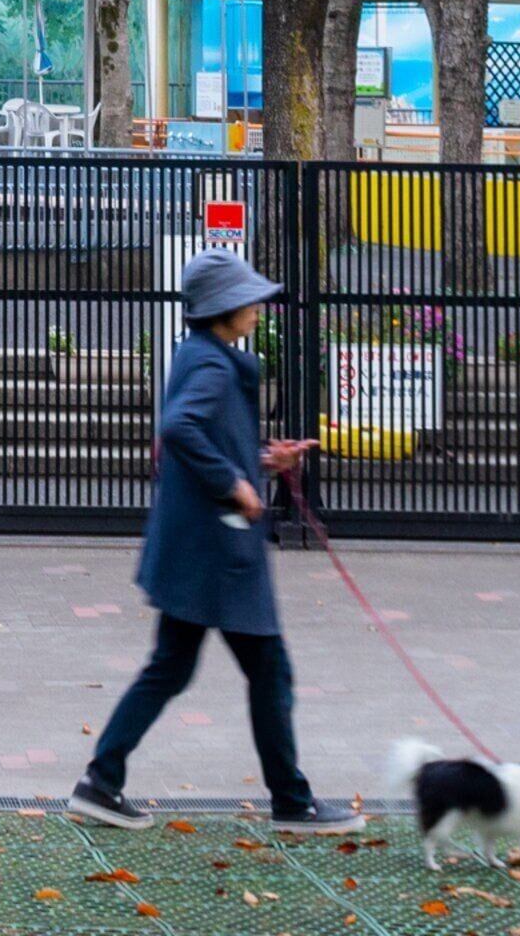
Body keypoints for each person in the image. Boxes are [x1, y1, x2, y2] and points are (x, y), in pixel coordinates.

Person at [64, 247, 359, 833]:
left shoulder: (200, 354)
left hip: (198, 552)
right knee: (267, 673)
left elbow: (197, 431)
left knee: (173, 669)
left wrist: (262, 462)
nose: (257, 306)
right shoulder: (213, 364)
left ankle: (102, 780)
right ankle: (291, 801)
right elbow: (179, 427)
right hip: (219, 556)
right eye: (248, 298)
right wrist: (235, 483)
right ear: (223, 307)